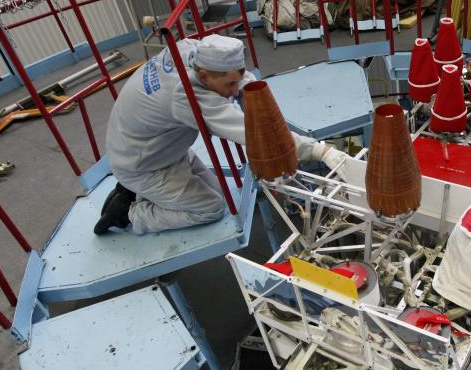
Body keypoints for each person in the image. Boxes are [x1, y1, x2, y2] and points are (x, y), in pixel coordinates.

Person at [95, 34, 347, 235]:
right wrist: (318, 150)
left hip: (160, 149)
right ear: (203, 75)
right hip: (143, 165)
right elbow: (254, 134)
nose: (233, 90)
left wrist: (247, 92)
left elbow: (240, 78)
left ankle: (135, 191)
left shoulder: (191, 50)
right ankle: (129, 214)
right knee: (211, 208)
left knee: (219, 193)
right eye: (228, 86)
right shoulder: (186, 97)